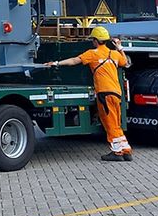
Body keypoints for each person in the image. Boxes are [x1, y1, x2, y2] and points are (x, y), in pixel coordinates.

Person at [46, 26, 133, 162]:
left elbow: (74, 61)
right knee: (116, 122)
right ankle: (126, 150)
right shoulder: (114, 54)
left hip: (104, 93)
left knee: (109, 123)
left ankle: (117, 153)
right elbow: (126, 62)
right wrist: (120, 47)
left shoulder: (93, 53)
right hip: (116, 93)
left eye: (93, 39)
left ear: (96, 40)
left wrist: (56, 63)